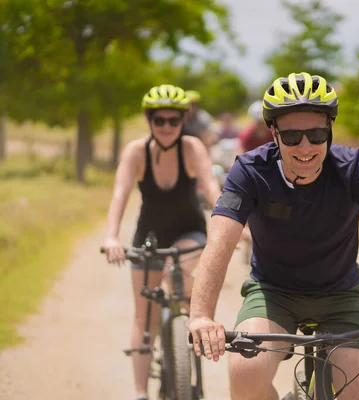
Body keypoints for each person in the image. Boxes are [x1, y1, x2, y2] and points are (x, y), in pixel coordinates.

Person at [188, 72, 359, 400]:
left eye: (315, 134)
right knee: (245, 373)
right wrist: (200, 315)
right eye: (292, 136)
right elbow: (220, 242)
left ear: (329, 129)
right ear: (274, 133)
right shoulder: (249, 170)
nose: (305, 147)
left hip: (340, 295)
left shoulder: (356, 167)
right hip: (272, 293)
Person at [102, 84, 222, 400]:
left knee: (179, 277)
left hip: (188, 234)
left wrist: (228, 229)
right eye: (159, 121)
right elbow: (120, 194)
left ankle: (185, 357)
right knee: (145, 318)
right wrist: (112, 236)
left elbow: (211, 187)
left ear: (183, 121)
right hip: (149, 239)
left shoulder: (192, 148)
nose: (167, 127)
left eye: (174, 120)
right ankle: (141, 392)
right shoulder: (135, 152)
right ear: (149, 121)